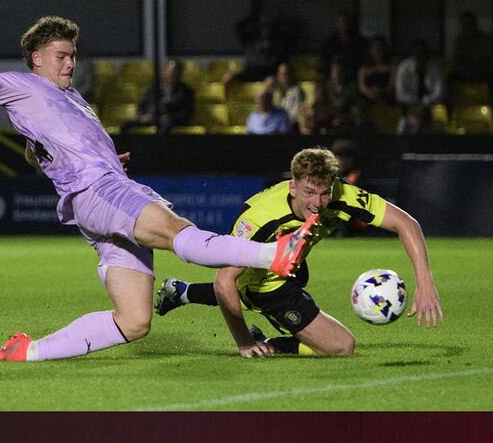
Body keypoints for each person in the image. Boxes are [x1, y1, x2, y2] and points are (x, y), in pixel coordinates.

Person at [0, 0, 322, 362]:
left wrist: (108, 159)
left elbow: (40, 152)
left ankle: (29, 351)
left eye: (73, 55)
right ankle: (272, 256)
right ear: (36, 58)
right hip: (99, 192)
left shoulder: (71, 98)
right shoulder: (22, 86)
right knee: (176, 231)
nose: (70, 63)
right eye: (60, 56)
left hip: (99, 195)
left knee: (135, 322)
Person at [154, 146, 444, 358]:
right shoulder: (260, 218)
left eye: (325, 192)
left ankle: (182, 291)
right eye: (309, 193)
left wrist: (426, 282)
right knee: (341, 346)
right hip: (266, 287)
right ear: (292, 187)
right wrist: (244, 343)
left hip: (291, 265)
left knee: (278, 275)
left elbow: (406, 223)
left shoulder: (343, 194)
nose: (318, 202)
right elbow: (224, 281)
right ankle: (265, 340)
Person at [121, 58, 194, 134]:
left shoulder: (185, 91)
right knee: (126, 126)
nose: (171, 74)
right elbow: (142, 105)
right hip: (151, 119)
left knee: (165, 128)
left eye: (175, 71)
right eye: (170, 71)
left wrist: (168, 117)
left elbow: (186, 113)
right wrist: (142, 115)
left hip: (170, 121)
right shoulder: (154, 88)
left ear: (179, 74)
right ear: (164, 72)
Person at [222, 15, 288, 85]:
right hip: (249, 73)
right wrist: (254, 17)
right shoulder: (250, 41)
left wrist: (278, 19)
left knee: (271, 82)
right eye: (263, 27)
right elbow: (238, 26)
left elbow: (296, 27)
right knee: (228, 78)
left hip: (267, 74)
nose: (265, 30)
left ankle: (264, 95)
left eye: (268, 27)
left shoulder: (277, 43)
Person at [317, 9, 367, 85]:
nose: (343, 25)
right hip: (334, 78)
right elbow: (323, 63)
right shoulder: (330, 43)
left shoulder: (360, 42)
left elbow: (363, 61)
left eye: (345, 22)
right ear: (336, 23)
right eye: (340, 22)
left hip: (355, 78)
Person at [394, 39, 445, 109]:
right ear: (411, 56)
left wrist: (426, 101)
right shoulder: (403, 68)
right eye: (416, 54)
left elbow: (439, 92)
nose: (419, 57)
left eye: (422, 54)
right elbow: (401, 95)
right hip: (410, 106)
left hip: (432, 105)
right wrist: (417, 102)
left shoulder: (435, 67)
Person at [448, 10, 493, 84]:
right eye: (463, 24)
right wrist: (465, 72)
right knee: (451, 77)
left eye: (468, 23)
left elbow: (490, 59)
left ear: (474, 24)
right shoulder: (460, 41)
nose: (466, 27)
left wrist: (478, 71)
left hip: (483, 72)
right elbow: (457, 61)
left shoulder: (486, 39)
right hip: (466, 72)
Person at [265, 62, 305, 132]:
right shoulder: (276, 92)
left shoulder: (297, 92)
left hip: (292, 129)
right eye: (281, 74)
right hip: (275, 128)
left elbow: (296, 115)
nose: (283, 77)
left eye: (286, 74)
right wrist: (269, 89)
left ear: (291, 75)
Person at [356, 35, 396, 104]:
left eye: (380, 47)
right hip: (367, 99)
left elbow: (392, 85)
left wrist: (382, 91)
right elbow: (361, 86)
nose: (377, 50)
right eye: (374, 47)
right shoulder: (364, 69)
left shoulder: (392, 67)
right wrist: (370, 93)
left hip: (386, 98)